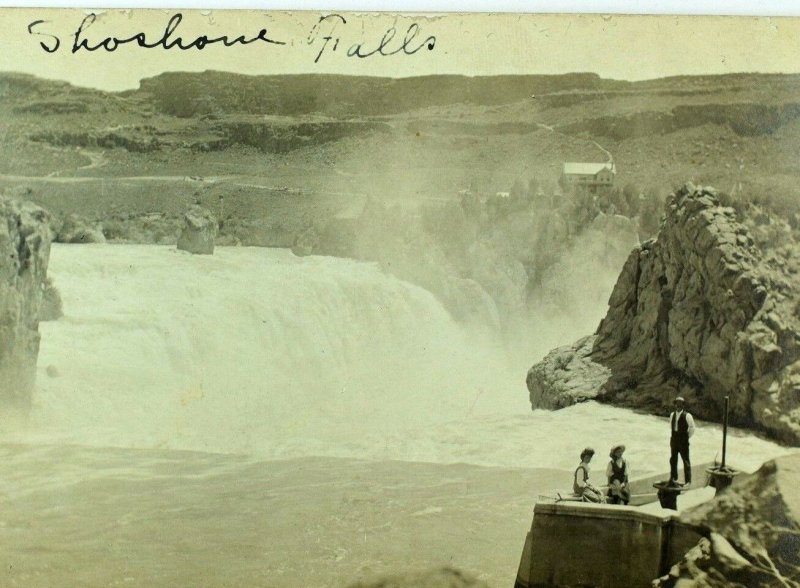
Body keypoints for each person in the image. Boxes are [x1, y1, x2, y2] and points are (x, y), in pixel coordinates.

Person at [669, 396, 696, 486]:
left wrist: (686, 437)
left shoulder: (688, 416)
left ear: (683, 405)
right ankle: (673, 478)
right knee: (673, 460)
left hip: (683, 441)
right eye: (677, 403)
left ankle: (688, 481)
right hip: (674, 440)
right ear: (675, 404)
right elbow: (671, 426)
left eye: (680, 404)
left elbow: (692, 428)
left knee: (686, 461)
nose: (678, 405)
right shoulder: (672, 415)